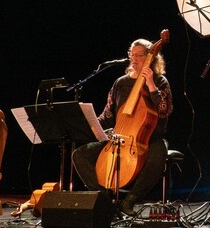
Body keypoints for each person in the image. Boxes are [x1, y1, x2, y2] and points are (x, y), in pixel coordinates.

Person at [71, 38, 173, 216]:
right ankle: (104, 199)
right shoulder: (120, 83)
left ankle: (130, 201)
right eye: (131, 55)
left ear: (151, 58)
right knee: (79, 155)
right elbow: (108, 116)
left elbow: (164, 110)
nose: (134, 59)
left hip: (150, 139)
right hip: (119, 138)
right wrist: (88, 123)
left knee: (159, 153)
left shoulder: (160, 81)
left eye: (139, 55)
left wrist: (150, 85)